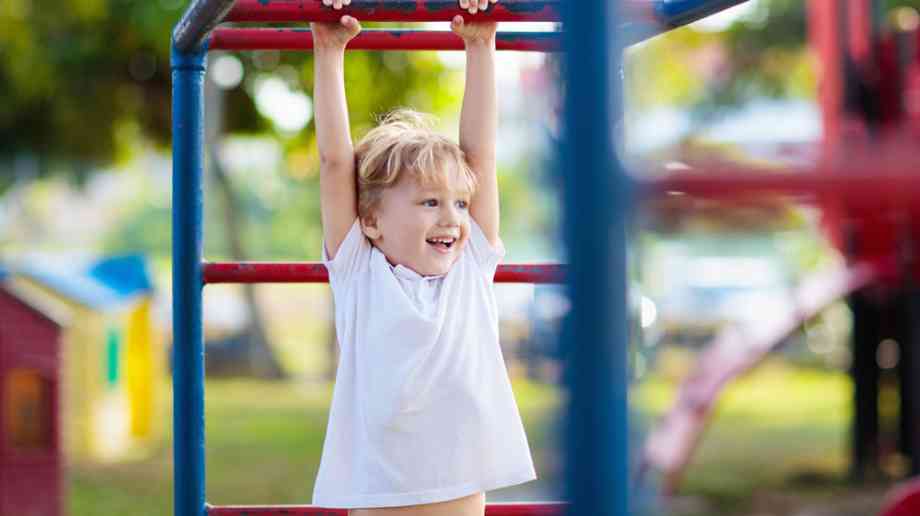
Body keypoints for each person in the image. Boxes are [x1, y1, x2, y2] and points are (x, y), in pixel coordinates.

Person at [310, 0, 537, 514]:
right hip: (378, 488)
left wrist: (480, 46)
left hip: (458, 483)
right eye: (429, 202)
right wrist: (328, 51)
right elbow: (333, 162)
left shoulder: (471, 263)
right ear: (372, 221)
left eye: (458, 203)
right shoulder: (359, 270)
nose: (452, 218)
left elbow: (481, 154)